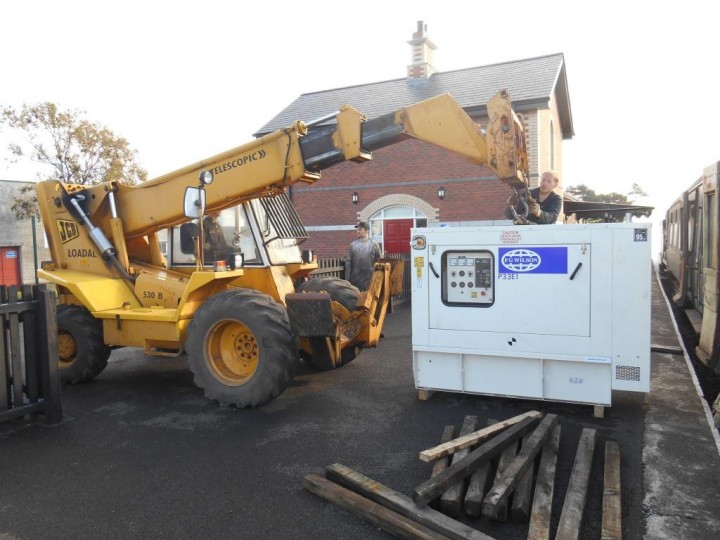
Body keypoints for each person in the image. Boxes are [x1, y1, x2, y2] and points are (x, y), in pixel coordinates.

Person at [345, 221, 381, 291]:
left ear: (367, 230)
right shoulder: (352, 245)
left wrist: (378, 278)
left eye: (360, 229)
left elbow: (379, 262)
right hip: (355, 281)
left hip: (371, 280)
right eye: (357, 229)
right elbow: (348, 263)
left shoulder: (374, 245)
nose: (358, 231)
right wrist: (347, 280)